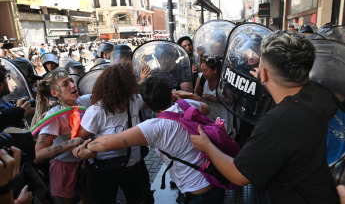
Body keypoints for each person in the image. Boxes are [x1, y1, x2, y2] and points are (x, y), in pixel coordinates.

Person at [190, 31, 340, 204]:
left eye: (260, 63)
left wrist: (207, 146)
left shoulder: (277, 123)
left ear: (265, 74)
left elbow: (238, 175)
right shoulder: (322, 94)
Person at [74, 76, 225, 204]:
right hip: (215, 180)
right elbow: (206, 109)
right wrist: (185, 98)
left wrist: (87, 147)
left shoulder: (153, 128)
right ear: (171, 96)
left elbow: (107, 143)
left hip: (197, 194)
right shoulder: (186, 106)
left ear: (147, 105)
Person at [74, 64, 146, 204]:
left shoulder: (134, 100)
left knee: (137, 199)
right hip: (103, 170)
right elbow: (78, 138)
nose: (124, 104)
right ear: (115, 91)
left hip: (131, 167)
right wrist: (83, 151)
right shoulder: (96, 111)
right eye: (122, 97)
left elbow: (153, 101)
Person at [33, 69, 92, 204]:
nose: (73, 85)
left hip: (87, 163)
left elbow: (107, 94)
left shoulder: (85, 102)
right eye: (65, 84)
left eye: (71, 80)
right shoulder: (53, 116)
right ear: (54, 93)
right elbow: (38, 154)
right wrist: (72, 143)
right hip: (64, 168)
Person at [194, 56, 233, 134]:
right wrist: (198, 98)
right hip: (208, 118)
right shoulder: (202, 78)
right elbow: (196, 93)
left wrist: (215, 99)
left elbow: (231, 101)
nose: (203, 73)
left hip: (224, 118)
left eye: (205, 71)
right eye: (202, 70)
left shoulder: (224, 81)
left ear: (215, 70)